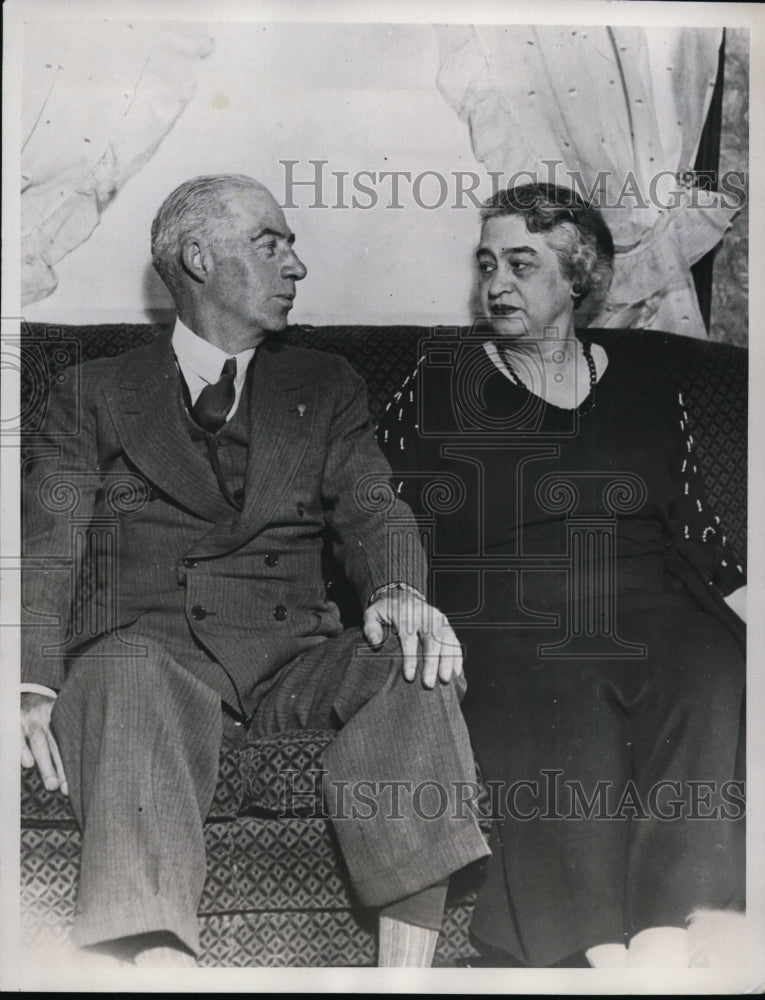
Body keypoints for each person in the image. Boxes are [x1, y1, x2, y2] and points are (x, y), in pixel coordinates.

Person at [19, 174, 490, 968]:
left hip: (289, 666)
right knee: (123, 668)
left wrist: (399, 591)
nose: (295, 266)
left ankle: (404, 978)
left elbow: (372, 506)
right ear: (198, 258)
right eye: (271, 245)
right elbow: (48, 541)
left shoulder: (325, 383)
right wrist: (29, 683)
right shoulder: (92, 391)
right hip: (153, 665)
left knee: (413, 660)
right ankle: (160, 971)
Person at [378, 182, 746, 968]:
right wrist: (401, 594)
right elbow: (381, 512)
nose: (495, 284)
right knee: (563, 669)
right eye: (486, 265)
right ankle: (590, 948)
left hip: (649, 592)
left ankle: (668, 930)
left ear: (578, 277)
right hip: (509, 601)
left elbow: (696, 525)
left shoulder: (648, 378)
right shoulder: (442, 378)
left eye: (521, 264)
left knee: (715, 662)